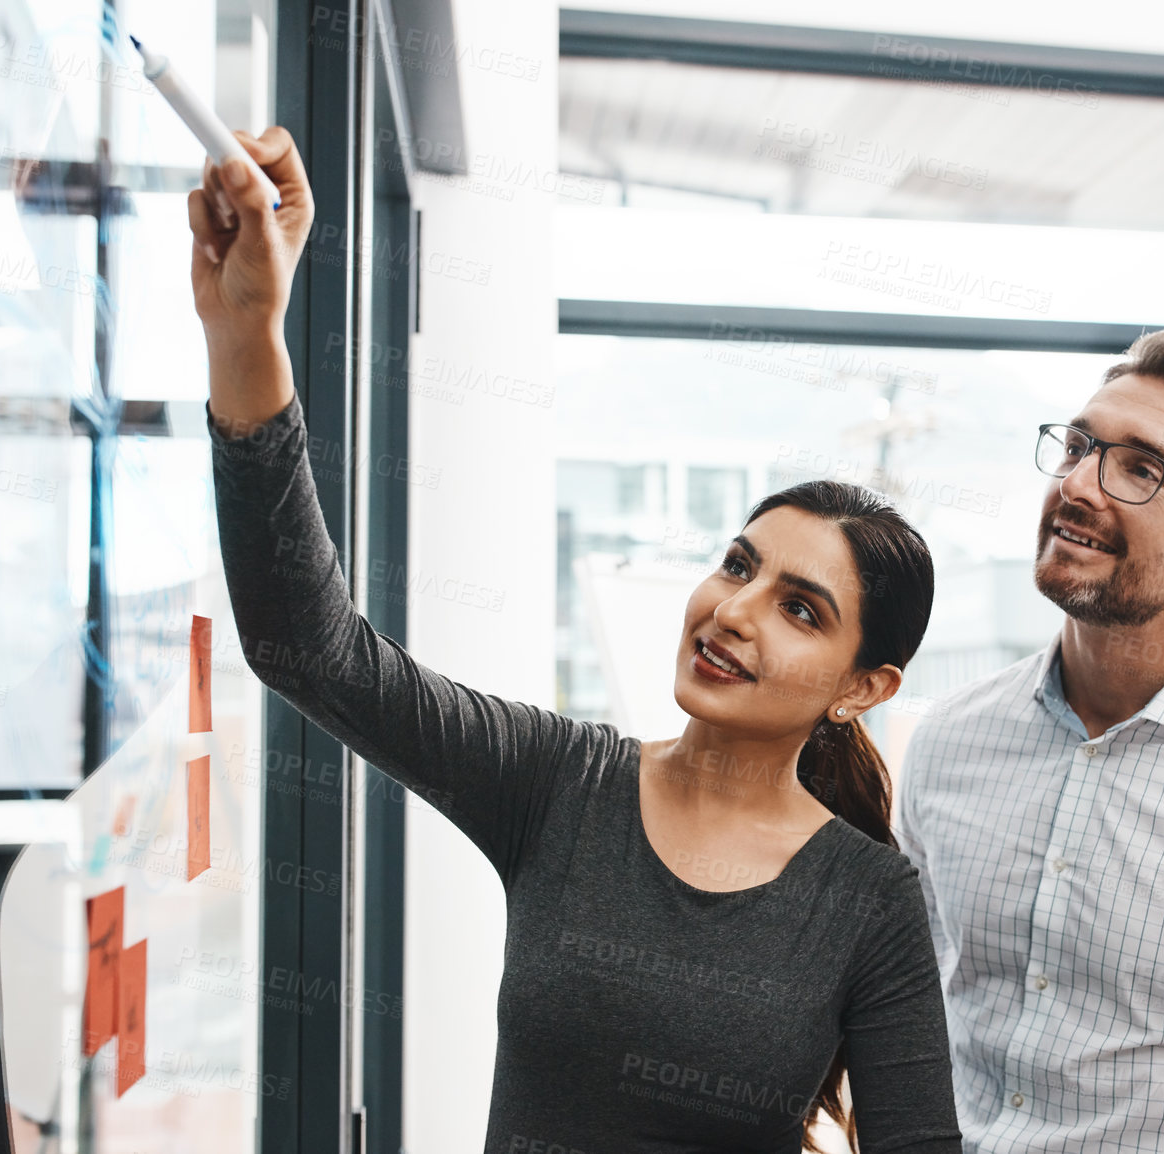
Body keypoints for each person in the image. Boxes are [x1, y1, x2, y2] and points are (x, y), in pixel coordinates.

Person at [188, 128, 962, 1154]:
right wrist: (248, 332)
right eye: (737, 565)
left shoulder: (868, 899)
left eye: (799, 607)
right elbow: (306, 648)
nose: (733, 609)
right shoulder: (563, 784)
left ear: (863, 687)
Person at [895, 330, 1164, 1151]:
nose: (1080, 485)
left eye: (1141, 469)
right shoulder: (947, 741)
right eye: (1081, 447)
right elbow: (914, 1014)